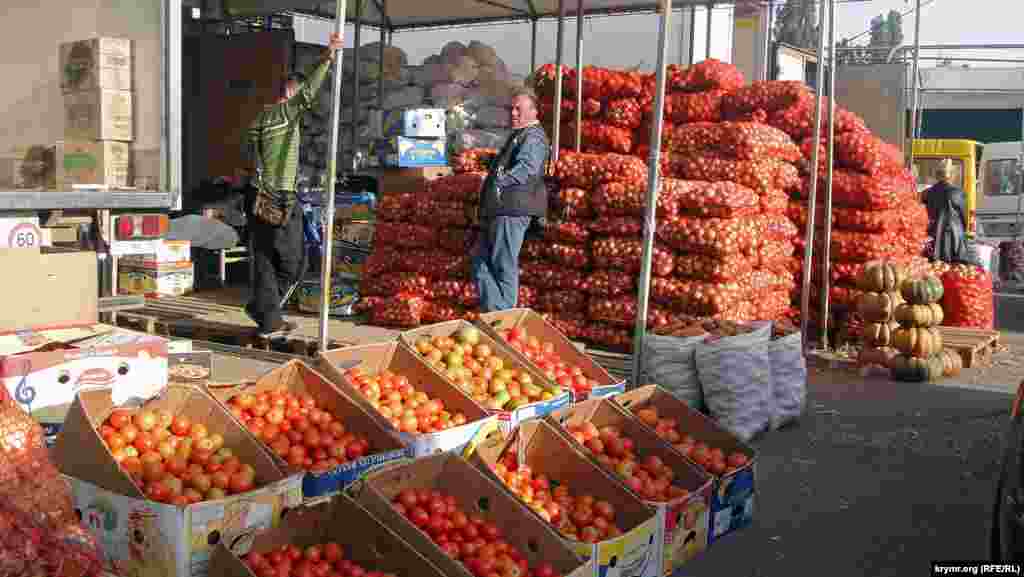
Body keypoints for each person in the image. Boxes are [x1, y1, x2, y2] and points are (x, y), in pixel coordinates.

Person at [241, 32, 343, 335]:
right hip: (279, 197)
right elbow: (309, 91)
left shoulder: (259, 119)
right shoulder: (286, 113)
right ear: (290, 92)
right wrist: (327, 58)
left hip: (255, 196)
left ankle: (269, 318)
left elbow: (250, 158)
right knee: (294, 262)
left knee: (264, 257)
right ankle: (263, 308)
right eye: (297, 97)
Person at [472, 88, 550, 312]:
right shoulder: (519, 135)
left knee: (503, 264)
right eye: (512, 108)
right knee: (480, 260)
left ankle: (503, 314)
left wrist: (500, 182)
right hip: (500, 210)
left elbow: (527, 167)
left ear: (534, 111)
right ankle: (497, 310)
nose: (513, 113)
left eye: (519, 109)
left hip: (512, 210)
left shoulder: (533, 136)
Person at [924, 158, 972, 264]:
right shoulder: (958, 193)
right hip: (954, 236)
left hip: (933, 236)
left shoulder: (928, 193)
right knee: (955, 269)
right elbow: (964, 218)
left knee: (935, 269)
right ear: (951, 175)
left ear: (937, 175)